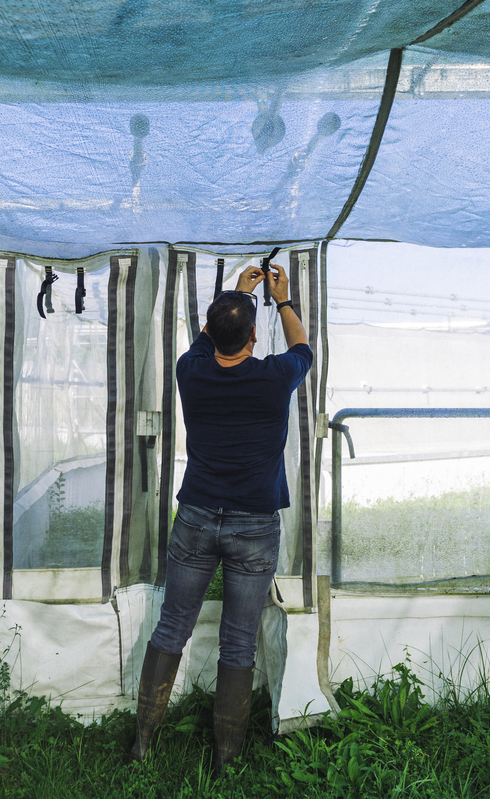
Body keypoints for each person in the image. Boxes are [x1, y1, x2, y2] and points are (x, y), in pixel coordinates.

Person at [131, 261, 312, 772]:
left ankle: (143, 742)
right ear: (255, 337)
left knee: (172, 627)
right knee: (238, 637)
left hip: (195, 516)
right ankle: (225, 759)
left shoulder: (191, 371)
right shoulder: (276, 377)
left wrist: (236, 294)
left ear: (210, 332)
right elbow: (303, 350)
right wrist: (281, 298)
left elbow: (209, 336)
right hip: (254, 524)